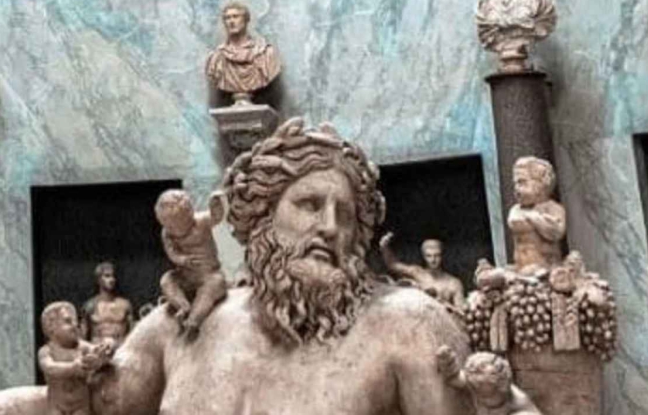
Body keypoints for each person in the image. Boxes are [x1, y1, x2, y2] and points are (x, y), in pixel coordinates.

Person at [87, 118, 478, 415]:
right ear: (264, 216)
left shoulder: (409, 325)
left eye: (344, 215)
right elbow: (85, 401)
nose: (330, 227)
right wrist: (84, 363)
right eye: (309, 205)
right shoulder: (177, 328)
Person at [154, 189, 228, 332]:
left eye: (178, 224)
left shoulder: (201, 221)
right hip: (186, 276)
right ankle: (183, 306)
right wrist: (182, 260)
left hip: (209, 274)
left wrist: (216, 205)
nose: (174, 230)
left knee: (215, 285)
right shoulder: (167, 233)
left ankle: (194, 318)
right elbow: (171, 253)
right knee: (167, 280)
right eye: (170, 226)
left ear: (189, 215)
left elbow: (216, 217)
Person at [40, 302, 114, 415]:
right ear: (51, 328)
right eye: (68, 321)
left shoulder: (82, 347)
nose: (75, 325)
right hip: (57, 406)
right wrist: (73, 367)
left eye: (75, 321)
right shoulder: (47, 351)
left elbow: (98, 351)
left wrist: (106, 349)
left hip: (80, 406)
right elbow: (50, 367)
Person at [204, 2, 281, 104]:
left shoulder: (265, 54)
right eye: (227, 18)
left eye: (235, 17)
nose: (231, 21)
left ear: (246, 20)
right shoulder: (217, 58)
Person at [507, 157, 566, 274]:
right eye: (515, 183)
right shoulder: (516, 209)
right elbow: (514, 221)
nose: (516, 188)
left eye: (522, 182)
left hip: (546, 266)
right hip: (520, 267)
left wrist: (534, 218)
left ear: (540, 184)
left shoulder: (554, 208)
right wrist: (537, 219)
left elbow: (556, 232)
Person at [435, 348, 540, 414]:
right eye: (472, 370)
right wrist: (449, 364)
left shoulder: (520, 410)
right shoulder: (482, 388)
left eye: (478, 371)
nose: (472, 374)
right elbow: (456, 378)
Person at [378, 234, 465, 308]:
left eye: (437, 255)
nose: (433, 260)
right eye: (429, 256)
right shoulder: (417, 273)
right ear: (424, 257)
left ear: (442, 256)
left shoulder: (453, 283)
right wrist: (384, 247)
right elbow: (393, 265)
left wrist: (445, 305)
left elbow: (461, 312)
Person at [81, 262, 135, 346]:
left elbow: (134, 333)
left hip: (121, 348)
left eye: (113, 276)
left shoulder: (125, 305)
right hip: (97, 348)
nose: (111, 279)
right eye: (107, 276)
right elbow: (83, 336)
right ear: (99, 279)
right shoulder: (89, 306)